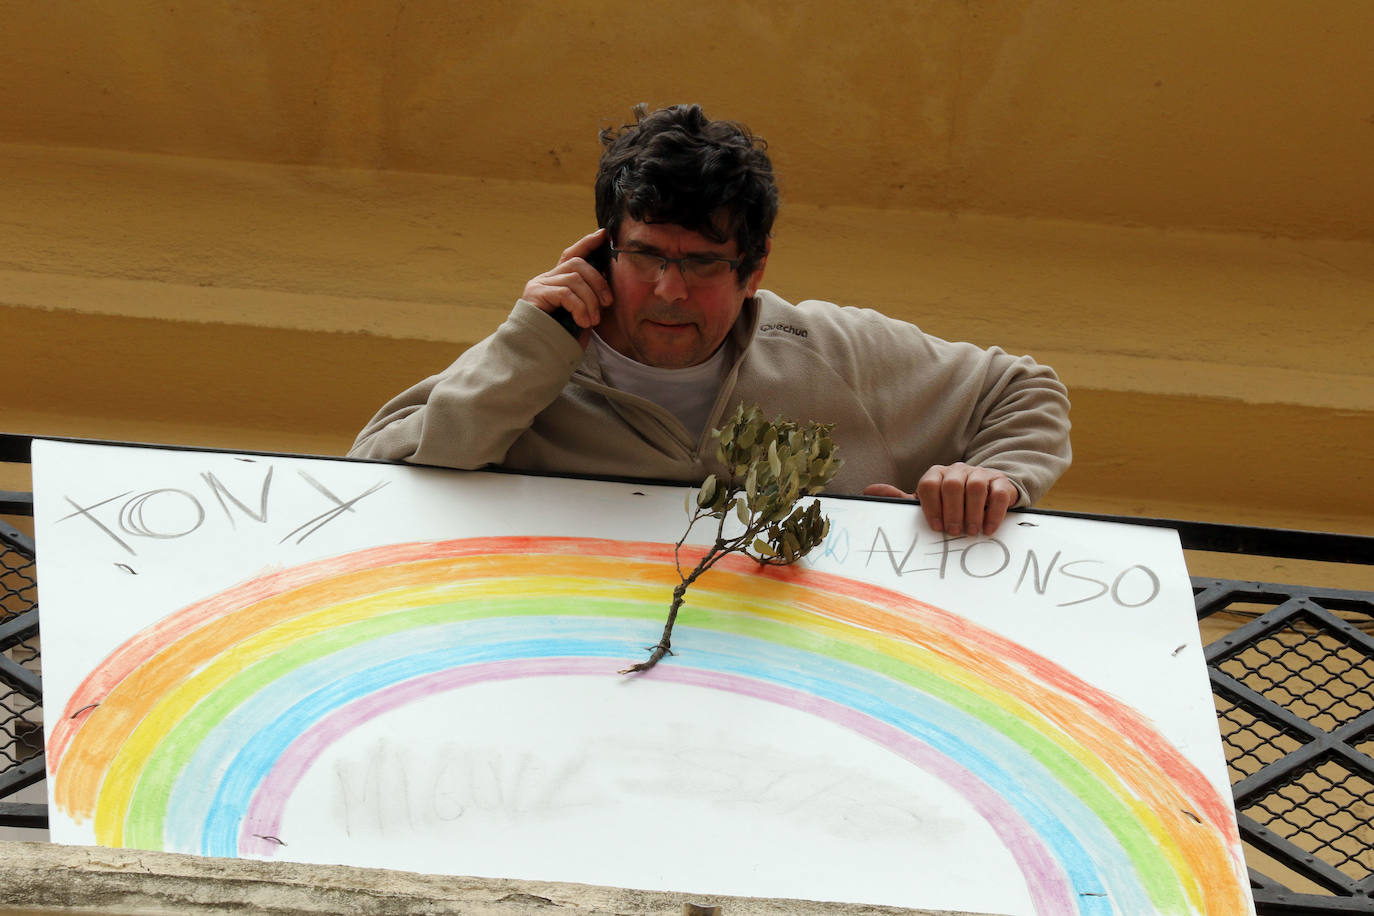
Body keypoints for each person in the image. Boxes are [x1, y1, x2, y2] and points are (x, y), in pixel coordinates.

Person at [350, 104, 1071, 537]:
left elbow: (1021, 389)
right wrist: (527, 346)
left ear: (753, 272)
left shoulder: (833, 352)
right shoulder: (531, 361)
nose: (669, 290)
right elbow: (372, 487)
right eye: (645, 256)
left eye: (701, 263)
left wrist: (992, 479)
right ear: (601, 253)